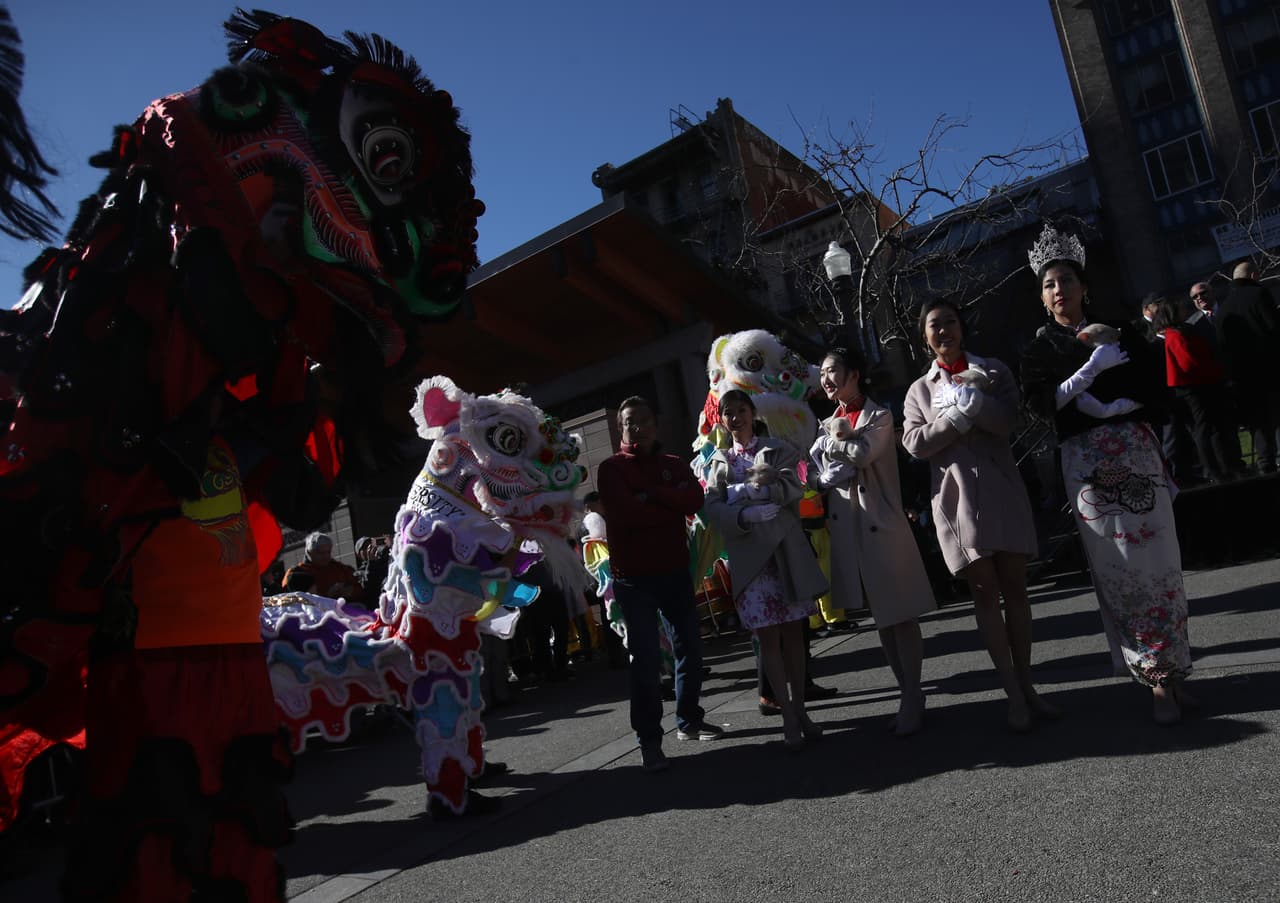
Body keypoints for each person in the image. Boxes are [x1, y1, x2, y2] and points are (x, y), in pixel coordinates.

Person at [1019, 223, 1194, 723]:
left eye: (1066, 280)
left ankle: (1176, 670)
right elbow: (1041, 407)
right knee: (1119, 566)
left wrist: (1118, 396)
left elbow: (1154, 388)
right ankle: (1155, 678)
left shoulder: (1121, 331)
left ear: (1084, 286)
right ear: (1042, 297)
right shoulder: (1041, 350)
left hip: (1135, 452)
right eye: (1049, 284)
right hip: (1087, 464)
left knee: (1161, 562)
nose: (1059, 290)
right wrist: (1088, 373)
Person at [902, 298, 1058, 732]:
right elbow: (914, 442)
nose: (944, 331)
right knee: (985, 596)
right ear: (924, 337)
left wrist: (977, 404)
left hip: (1002, 491)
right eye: (934, 325)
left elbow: (1009, 419)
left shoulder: (993, 370)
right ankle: (1012, 694)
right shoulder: (919, 390)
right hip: (958, 503)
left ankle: (1028, 685)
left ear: (962, 327)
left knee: (1018, 591)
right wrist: (955, 418)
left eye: (950, 322)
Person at [809, 346, 937, 737]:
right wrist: (824, 471)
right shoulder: (826, 422)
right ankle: (907, 693)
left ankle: (912, 694)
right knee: (883, 616)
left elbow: (862, 455)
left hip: (881, 524)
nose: (826, 379)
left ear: (854, 374)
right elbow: (818, 472)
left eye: (833, 371)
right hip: (850, 526)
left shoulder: (878, 415)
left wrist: (831, 448)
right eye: (823, 373)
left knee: (901, 613)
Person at [596, 396, 723, 772]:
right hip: (633, 579)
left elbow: (694, 499)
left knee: (691, 649)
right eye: (629, 422)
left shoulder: (673, 463)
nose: (637, 427)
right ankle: (649, 741)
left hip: (674, 571)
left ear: (656, 423)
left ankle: (689, 720)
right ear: (620, 428)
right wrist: (669, 504)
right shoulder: (611, 469)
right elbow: (625, 514)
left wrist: (651, 495)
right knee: (646, 661)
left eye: (644, 419)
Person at [702, 390, 828, 749]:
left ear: (752, 412)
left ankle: (800, 710)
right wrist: (744, 513)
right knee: (768, 641)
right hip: (750, 560)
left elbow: (793, 487)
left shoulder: (777, 448)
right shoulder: (718, 462)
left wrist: (762, 492)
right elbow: (712, 507)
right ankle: (787, 715)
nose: (735, 418)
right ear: (721, 420)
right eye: (728, 412)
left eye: (741, 410)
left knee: (794, 637)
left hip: (784, 552)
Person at [1152, 299, 1243, 484]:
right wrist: (1212, 370)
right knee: (1203, 429)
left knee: (1212, 427)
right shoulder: (1175, 334)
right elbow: (1188, 362)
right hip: (1194, 386)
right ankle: (1212, 469)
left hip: (1202, 384)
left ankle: (1223, 466)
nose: (1185, 310)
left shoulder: (1182, 330)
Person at [1217, 261, 1280, 473]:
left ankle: (1265, 462)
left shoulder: (1224, 308)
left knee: (1258, 422)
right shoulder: (1259, 294)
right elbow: (1273, 328)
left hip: (1241, 375)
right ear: (1253, 275)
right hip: (1268, 368)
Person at [283, 532, 361, 599]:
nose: (326, 556)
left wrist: (351, 591)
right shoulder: (295, 574)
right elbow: (287, 598)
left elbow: (360, 587)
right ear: (309, 552)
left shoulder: (339, 568)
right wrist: (326, 596)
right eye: (321, 553)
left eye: (328, 552)